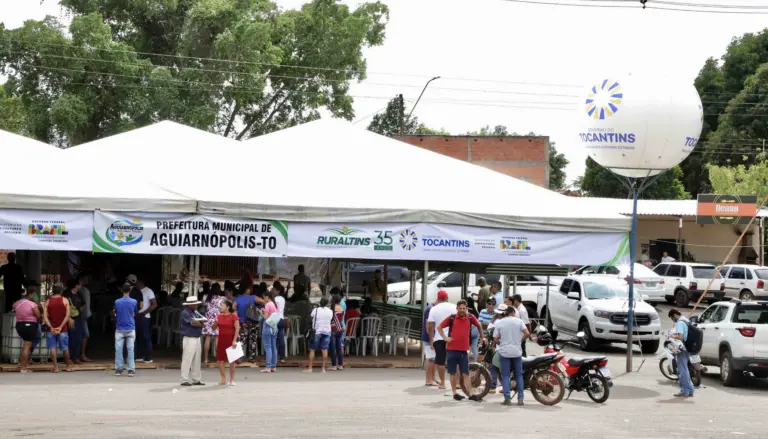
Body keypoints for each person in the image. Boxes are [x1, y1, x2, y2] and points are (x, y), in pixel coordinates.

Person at [437, 300, 486, 402]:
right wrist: (445, 338)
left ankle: (471, 394)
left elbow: (479, 326)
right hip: (451, 350)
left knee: (466, 373)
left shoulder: (471, 317)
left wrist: (482, 338)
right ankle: (454, 393)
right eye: (460, 308)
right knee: (453, 373)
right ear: (457, 309)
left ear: (466, 309)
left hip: (463, 350)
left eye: (464, 308)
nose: (462, 310)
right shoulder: (452, 318)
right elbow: (439, 327)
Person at [493, 304, 529, 406]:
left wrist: (502, 343)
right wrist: (520, 341)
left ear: (505, 313)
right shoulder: (519, 321)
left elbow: (495, 338)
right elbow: (527, 333)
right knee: (518, 375)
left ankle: (507, 399)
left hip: (504, 352)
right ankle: (520, 399)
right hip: (517, 352)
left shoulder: (500, 323)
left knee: (505, 375)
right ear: (513, 313)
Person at [426, 290, 457, 390]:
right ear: (447, 297)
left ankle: (443, 383)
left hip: (439, 338)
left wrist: (431, 340)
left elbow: (430, 327)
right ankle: (456, 383)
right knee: (455, 361)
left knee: (440, 361)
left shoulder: (434, 309)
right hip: (452, 338)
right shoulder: (454, 307)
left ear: (438, 298)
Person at [43, 284, 73, 373]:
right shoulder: (65, 300)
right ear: (61, 291)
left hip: (51, 329)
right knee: (65, 348)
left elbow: (45, 317)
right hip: (62, 329)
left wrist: (51, 327)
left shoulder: (47, 301)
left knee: (52, 347)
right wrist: (60, 327)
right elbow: (67, 315)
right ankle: (68, 367)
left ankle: (55, 367)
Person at [13, 282, 42, 373]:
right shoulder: (32, 305)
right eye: (34, 295)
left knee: (25, 345)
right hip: (29, 326)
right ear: (31, 294)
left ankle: (22, 363)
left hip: (19, 326)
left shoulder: (17, 303)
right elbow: (38, 316)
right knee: (27, 347)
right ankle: (23, 367)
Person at [212, 299, 239, 386]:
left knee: (232, 361)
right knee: (220, 361)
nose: (221, 307)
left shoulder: (233, 316)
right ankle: (223, 379)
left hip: (231, 340)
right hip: (221, 340)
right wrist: (216, 321)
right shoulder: (219, 316)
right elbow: (213, 328)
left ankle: (232, 379)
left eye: (222, 305)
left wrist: (234, 340)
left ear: (228, 307)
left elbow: (237, 328)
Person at [180, 296, 206, 386]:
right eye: (194, 304)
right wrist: (201, 324)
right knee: (187, 358)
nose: (196, 306)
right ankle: (184, 379)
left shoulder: (195, 312)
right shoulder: (185, 312)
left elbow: (203, 319)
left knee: (196, 359)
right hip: (189, 337)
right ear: (189, 305)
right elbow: (192, 322)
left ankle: (196, 379)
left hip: (196, 337)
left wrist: (199, 323)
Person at [114, 283, 138, 377]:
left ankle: (119, 369)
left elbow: (115, 312)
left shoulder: (117, 302)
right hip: (130, 327)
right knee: (130, 349)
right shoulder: (134, 301)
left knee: (118, 349)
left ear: (121, 290)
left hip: (120, 327)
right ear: (130, 290)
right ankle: (131, 369)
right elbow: (135, 313)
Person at [668, 309, 694, 398]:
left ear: (675, 315)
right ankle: (690, 389)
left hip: (682, 348)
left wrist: (671, 336)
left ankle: (685, 391)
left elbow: (681, 337)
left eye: (672, 318)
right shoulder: (686, 320)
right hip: (688, 348)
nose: (673, 320)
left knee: (682, 370)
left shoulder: (680, 323)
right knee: (685, 368)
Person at [304, 297, 333, 373]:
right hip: (327, 331)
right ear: (327, 304)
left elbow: (312, 317)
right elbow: (330, 319)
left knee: (312, 349)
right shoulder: (330, 311)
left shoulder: (316, 310)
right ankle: (323, 368)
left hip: (317, 331)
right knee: (324, 349)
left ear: (320, 303)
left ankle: (310, 368)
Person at [234, 285, 260, 363]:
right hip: (253, 322)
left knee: (242, 340)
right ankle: (252, 357)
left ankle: (239, 358)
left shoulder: (237, 299)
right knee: (253, 340)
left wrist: (239, 321)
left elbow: (233, 310)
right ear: (247, 290)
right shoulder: (253, 297)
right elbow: (265, 302)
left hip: (243, 323)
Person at [136, 277, 157, 363]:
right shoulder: (136, 291)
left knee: (146, 336)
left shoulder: (148, 291)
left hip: (145, 316)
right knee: (139, 336)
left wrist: (144, 312)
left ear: (140, 283)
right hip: (138, 315)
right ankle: (140, 355)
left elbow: (154, 304)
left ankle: (149, 357)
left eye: (136, 283)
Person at [64, 279, 85, 364]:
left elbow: (83, 304)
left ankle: (75, 357)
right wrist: (69, 317)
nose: (81, 286)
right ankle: (68, 358)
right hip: (69, 318)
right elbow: (63, 307)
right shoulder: (66, 294)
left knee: (78, 338)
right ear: (76, 285)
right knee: (69, 338)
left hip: (78, 318)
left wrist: (78, 311)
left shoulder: (79, 294)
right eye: (79, 284)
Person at [203, 283, 224, 364]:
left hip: (208, 320)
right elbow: (222, 309)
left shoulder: (205, 297)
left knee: (207, 338)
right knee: (217, 339)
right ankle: (218, 359)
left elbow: (205, 309)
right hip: (217, 320)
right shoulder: (222, 298)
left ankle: (206, 359)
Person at [422, 298, 440, 387]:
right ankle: (428, 380)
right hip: (429, 337)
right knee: (430, 359)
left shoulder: (433, 308)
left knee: (434, 359)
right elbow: (428, 326)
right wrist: (431, 340)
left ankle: (433, 378)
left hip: (432, 337)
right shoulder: (430, 309)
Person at [260, 290, 279, 373]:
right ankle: (273, 366)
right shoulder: (274, 304)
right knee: (273, 347)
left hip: (267, 326)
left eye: (264, 297)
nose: (263, 299)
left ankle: (268, 367)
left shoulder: (268, 304)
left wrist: (261, 312)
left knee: (268, 348)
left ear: (267, 297)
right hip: (274, 327)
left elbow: (265, 317)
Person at [78, 274, 93, 362]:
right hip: (82, 315)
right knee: (84, 335)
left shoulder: (85, 290)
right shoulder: (83, 290)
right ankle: (81, 354)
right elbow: (85, 304)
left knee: (84, 335)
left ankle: (81, 354)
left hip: (84, 315)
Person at [329, 294, 345, 371]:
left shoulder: (331, 308)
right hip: (340, 330)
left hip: (333, 329)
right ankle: (340, 365)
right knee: (339, 348)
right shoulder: (342, 308)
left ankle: (334, 365)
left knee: (332, 348)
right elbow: (341, 319)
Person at [273, 281, 287, 363]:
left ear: (278, 291)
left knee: (273, 339)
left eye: (274, 290)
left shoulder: (274, 299)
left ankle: (274, 356)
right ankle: (282, 357)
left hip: (275, 319)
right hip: (281, 319)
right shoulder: (283, 299)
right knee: (281, 339)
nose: (273, 291)